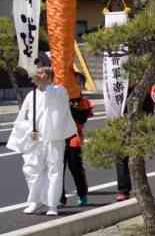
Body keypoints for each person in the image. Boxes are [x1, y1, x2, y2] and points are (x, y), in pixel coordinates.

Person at [7, 65, 77, 216]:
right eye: (37, 72)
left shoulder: (59, 91)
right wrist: (28, 129)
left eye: (41, 72)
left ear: (50, 76)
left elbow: (52, 99)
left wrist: (45, 85)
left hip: (54, 138)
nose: (37, 75)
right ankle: (34, 201)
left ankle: (52, 204)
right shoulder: (30, 95)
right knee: (31, 169)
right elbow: (23, 117)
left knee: (54, 171)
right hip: (35, 138)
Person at [60, 72, 93, 207]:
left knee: (76, 167)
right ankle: (59, 197)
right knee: (58, 169)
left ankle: (82, 195)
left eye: (78, 83)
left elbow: (81, 119)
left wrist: (69, 106)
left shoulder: (83, 102)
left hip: (74, 137)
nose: (75, 86)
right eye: (73, 83)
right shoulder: (60, 99)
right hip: (59, 138)